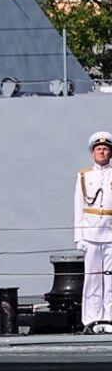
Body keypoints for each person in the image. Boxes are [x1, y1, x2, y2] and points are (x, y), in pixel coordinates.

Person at [77, 133, 112, 334]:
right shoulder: (84, 176)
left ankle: (109, 319)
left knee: (110, 280)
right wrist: (78, 237)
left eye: (105, 149)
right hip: (90, 235)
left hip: (110, 233)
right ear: (93, 152)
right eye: (98, 149)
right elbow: (79, 207)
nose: (102, 151)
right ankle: (91, 320)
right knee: (92, 279)